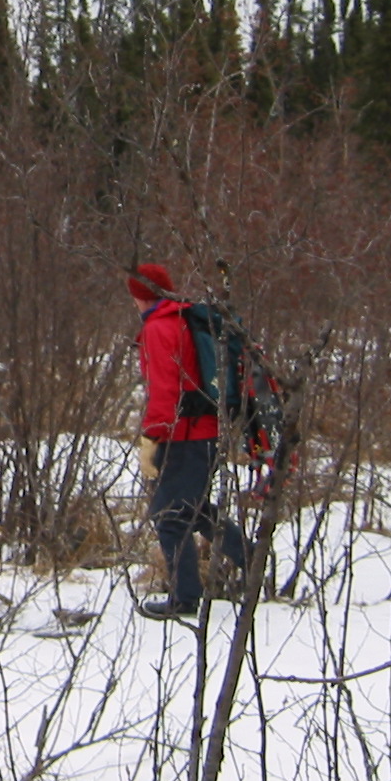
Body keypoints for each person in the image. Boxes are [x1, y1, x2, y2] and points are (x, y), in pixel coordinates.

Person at [128, 263, 247, 619]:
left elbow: (165, 391)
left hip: (182, 434)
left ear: (139, 295)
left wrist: (152, 437)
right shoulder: (184, 318)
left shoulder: (159, 327)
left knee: (169, 515)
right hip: (204, 430)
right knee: (190, 508)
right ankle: (251, 559)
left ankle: (185, 598)